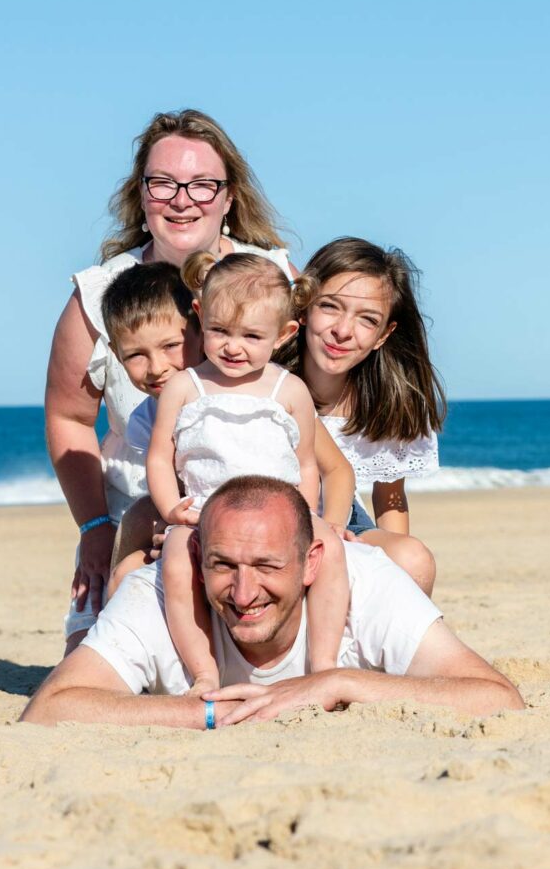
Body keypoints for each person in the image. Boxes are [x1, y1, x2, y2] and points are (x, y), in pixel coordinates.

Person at [45, 108, 294, 633]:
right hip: (133, 514)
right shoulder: (97, 295)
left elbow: (315, 398)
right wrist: (95, 529)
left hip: (258, 513)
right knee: (91, 665)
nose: (182, 200)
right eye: (163, 183)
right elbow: (69, 419)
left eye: (203, 185)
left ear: (229, 197)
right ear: (141, 195)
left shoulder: (272, 279)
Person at [21, 476, 524, 729]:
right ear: (196, 556)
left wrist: (336, 682)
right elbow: (48, 709)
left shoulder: (367, 582)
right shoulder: (153, 595)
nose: (243, 595)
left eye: (266, 567)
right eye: (222, 566)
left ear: (312, 563)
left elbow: (497, 697)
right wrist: (208, 715)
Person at [146, 252, 352, 693]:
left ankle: (324, 662)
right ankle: (202, 670)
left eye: (251, 336)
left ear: (284, 334)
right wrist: (171, 509)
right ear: (199, 316)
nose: (232, 346)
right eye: (219, 331)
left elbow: (305, 464)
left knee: (329, 547)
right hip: (204, 515)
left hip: (277, 519)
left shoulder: (289, 390)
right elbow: (161, 456)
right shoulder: (186, 387)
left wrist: (308, 516)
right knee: (177, 560)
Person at [278, 237, 446, 595]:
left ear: (384, 335)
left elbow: (390, 498)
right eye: (330, 307)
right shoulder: (266, 377)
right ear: (304, 307)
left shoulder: (388, 402)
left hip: (344, 522)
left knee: (413, 558)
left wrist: (396, 574)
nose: (342, 330)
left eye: (367, 319)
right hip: (268, 514)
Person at [63, 261, 201, 652]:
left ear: (198, 327)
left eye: (171, 346)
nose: (157, 368)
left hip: (232, 512)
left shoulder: (224, 393)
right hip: (183, 514)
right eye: (136, 355)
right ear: (114, 354)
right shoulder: (147, 417)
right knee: (137, 528)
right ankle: (117, 631)